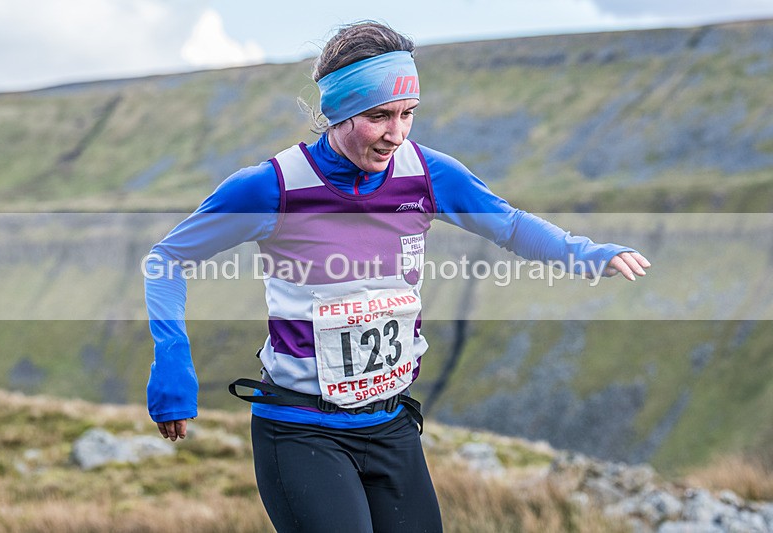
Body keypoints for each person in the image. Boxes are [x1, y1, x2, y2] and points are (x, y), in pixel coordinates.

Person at [144, 21, 650, 532]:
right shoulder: (272, 187)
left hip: (391, 426)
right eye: (379, 116)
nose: (396, 133)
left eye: (408, 114)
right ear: (338, 112)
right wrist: (172, 361)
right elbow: (167, 261)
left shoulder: (427, 173)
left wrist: (585, 253)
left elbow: (511, 225)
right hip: (301, 431)